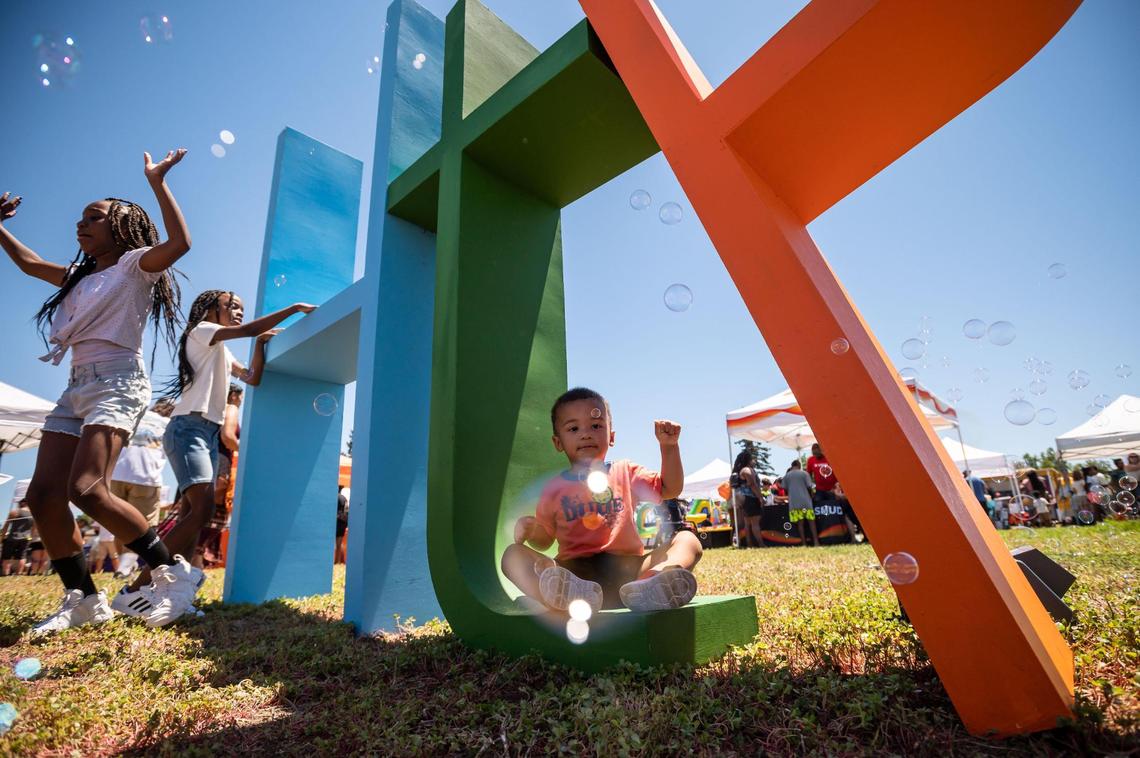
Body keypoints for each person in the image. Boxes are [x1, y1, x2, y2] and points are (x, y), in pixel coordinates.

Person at [0, 150, 203, 635]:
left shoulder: (135, 266)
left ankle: (174, 574)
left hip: (118, 381)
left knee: (87, 488)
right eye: (80, 217)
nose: (80, 224)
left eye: (94, 217)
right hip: (76, 386)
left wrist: (157, 183)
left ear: (123, 227)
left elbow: (180, 243)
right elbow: (29, 264)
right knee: (45, 495)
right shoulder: (79, 276)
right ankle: (84, 598)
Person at [116, 291, 315, 616]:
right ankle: (134, 590)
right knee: (201, 511)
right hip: (188, 429)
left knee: (191, 516)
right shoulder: (203, 331)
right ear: (211, 309)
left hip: (206, 433)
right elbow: (248, 330)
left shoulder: (221, 351)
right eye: (231, 306)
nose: (238, 311)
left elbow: (253, 378)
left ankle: (170, 593)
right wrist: (294, 306)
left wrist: (261, 346)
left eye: (241, 308)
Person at [502, 387, 699, 613]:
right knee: (511, 555)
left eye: (596, 426)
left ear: (611, 436)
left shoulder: (626, 471)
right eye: (573, 428)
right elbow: (545, 540)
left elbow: (669, 488)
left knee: (688, 540)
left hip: (629, 573)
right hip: (573, 576)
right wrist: (532, 529)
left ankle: (651, 582)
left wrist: (669, 447)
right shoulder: (553, 489)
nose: (586, 434)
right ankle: (562, 596)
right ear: (558, 443)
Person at [109, 397, 174, 578]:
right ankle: (126, 566)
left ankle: (124, 565)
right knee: (144, 525)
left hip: (116, 473)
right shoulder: (169, 424)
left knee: (118, 521)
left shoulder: (138, 415)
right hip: (146, 477)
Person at [731, 451, 764, 548]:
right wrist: (760, 498)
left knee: (747, 523)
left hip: (743, 499)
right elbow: (752, 484)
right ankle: (761, 544)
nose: (754, 461)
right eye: (752, 459)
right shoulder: (747, 470)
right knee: (755, 523)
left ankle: (749, 543)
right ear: (748, 460)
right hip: (751, 498)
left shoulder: (740, 470)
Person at [783, 460, 818, 546]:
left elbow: (784, 488)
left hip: (794, 503)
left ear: (792, 466)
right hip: (806, 501)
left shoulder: (787, 476)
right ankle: (816, 542)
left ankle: (804, 543)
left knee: (800, 524)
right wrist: (812, 496)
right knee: (811, 522)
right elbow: (810, 486)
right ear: (799, 465)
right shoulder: (804, 473)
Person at [1, 498, 34, 577]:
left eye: (19, 503)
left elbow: (6, 526)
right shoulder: (33, 515)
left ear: (22, 503)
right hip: (25, 538)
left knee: (7, 557)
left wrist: (2, 537)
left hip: (12, 538)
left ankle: (6, 575)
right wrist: (30, 538)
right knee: (21, 557)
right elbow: (34, 528)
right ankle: (18, 575)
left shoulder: (14, 512)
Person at [335, 486, 349, 564]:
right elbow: (347, 511)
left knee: (334, 544)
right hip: (342, 523)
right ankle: (338, 561)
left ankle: (336, 561)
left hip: (336, 522)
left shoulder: (335, 497)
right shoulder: (344, 498)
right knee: (339, 544)